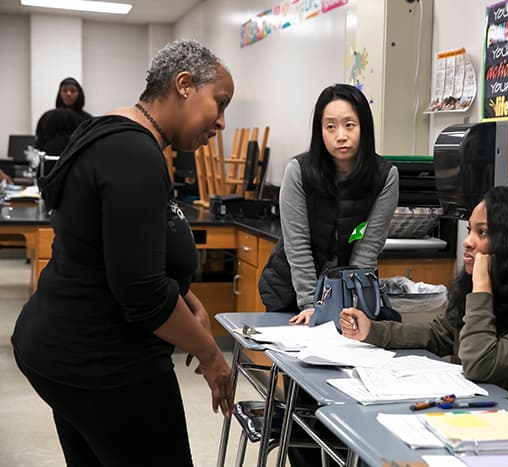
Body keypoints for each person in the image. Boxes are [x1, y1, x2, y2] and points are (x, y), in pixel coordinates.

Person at [12, 40, 235, 466]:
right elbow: (141, 293)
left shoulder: (109, 131)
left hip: (62, 347)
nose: (222, 122)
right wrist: (211, 355)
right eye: (219, 103)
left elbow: (110, 248)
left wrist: (186, 298)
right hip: (104, 363)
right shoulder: (134, 154)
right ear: (184, 85)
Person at [341, 186, 508, 409]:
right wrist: (372, 331)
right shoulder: (497, 287)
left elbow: (480, 363)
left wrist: (481, 286)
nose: (468, 242)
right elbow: (441, 334)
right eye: (470, 230)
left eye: (483, 233)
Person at [258, 83, 399, 324]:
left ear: (364, 127)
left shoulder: (384, 177)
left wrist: (355, 304)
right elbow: (298, 245)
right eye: (330, 127)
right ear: (320, 130)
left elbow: (366, 247)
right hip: (290, 290)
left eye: (350, 125)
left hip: (347, 291)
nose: (340, 136)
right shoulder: (298, 171)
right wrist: (312, 305)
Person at [35, 77, 92, 156]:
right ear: (60, 93)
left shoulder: (88, 120)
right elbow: (40, 143)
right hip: (51, 164)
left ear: (79, 93)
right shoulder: (47, 117)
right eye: (64, 90)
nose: (68, 94)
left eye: (73, 91)